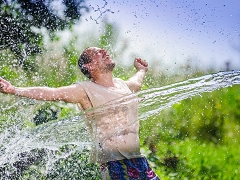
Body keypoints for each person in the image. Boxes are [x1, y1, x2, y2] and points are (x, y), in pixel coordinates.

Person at [0, 47, 160, 180]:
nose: (104, 51)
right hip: (115, 162)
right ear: (89, 66)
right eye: (97, 53)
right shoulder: (84, 90)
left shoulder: (121, 85)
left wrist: (141, 70)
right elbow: (52, 93)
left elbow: (136, 83)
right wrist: (15, 90)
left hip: (138, 159)